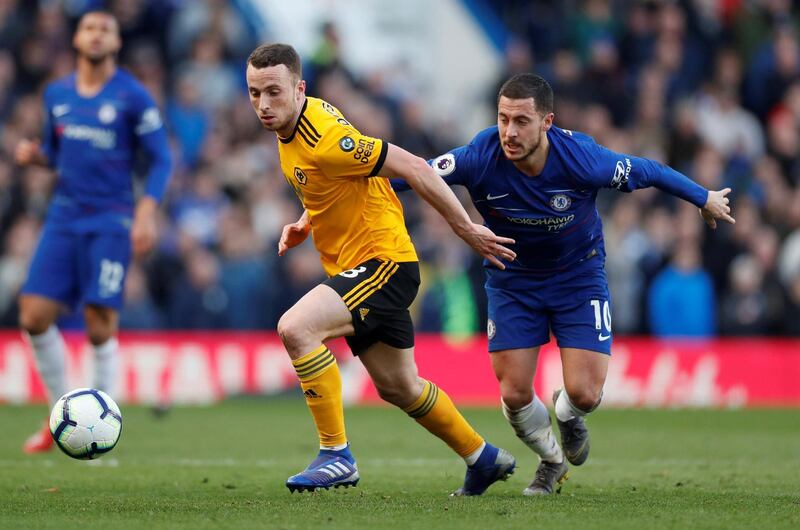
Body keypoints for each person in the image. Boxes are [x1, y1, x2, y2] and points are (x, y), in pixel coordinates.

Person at [393, 73, 735, 495]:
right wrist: (347, 184)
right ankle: (551, 462)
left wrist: (703, 198)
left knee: (585, 393)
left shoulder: (582, 159)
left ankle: (568, 414)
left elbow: (649, 170)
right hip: (513, 278)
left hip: (578, 276)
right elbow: (414, 174)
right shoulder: (479, 155)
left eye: (521, 121)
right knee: (515, 393)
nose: (509, 131)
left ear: (547, 122)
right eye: (503, 119)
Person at [245, 43, 517, 495]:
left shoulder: (325, 137)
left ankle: (336, 455)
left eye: (273, 92)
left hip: (383, 262)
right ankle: (482, 457)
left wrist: (465, 228)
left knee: (296, 328)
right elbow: (335, 181)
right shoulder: (292, 127)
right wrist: (306, 221)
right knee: (400, 387)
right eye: (255, 93)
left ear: (299, 88)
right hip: (362, 263)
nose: (263, 105)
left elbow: (413, 167)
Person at [15, 10, 171, 453]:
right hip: (64, 216)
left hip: (111, 218)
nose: (97, 34)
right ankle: (58, 415)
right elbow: (57, 150)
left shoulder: (133, 96)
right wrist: (37, 156)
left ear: (116, 42)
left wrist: (145, 213)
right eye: (90, 28)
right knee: (33, 316)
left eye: (106, 28)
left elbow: (160, 159)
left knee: (99, 324)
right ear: (77, 39)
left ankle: (105, 424)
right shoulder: (57, 93)